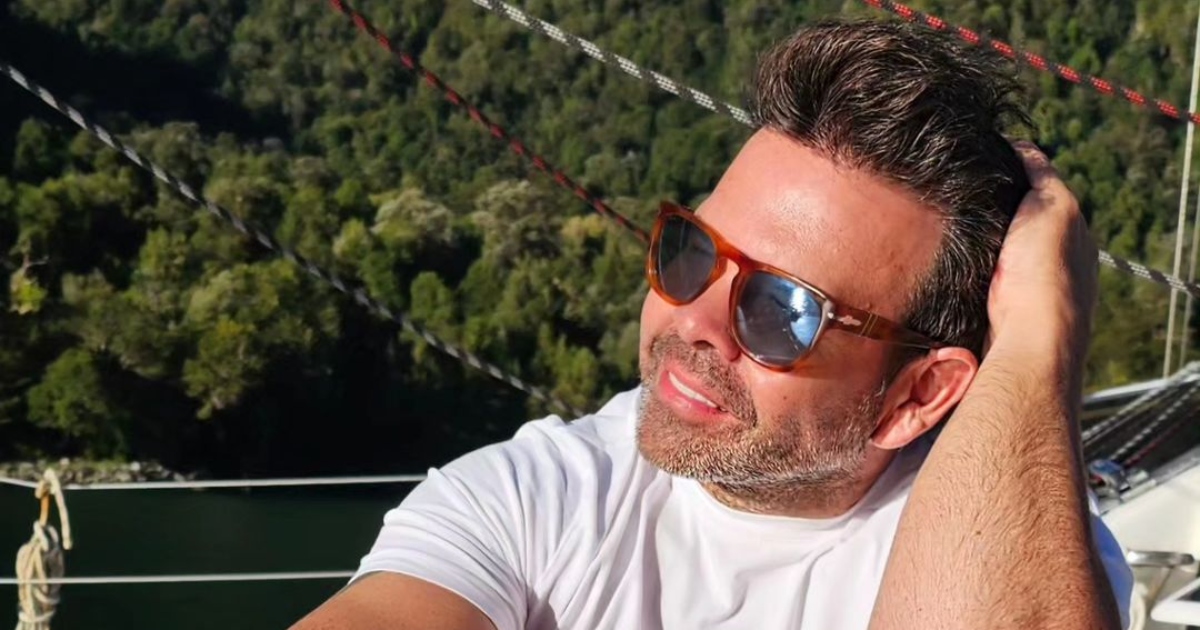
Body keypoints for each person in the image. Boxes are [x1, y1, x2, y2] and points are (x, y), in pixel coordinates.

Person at [294, 18, 1132, 630]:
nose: (694, 319)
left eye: (782, 308)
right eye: (693, 252)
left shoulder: (1021, 541)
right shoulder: (532, 503)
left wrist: (1037, 341)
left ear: (917, 395)